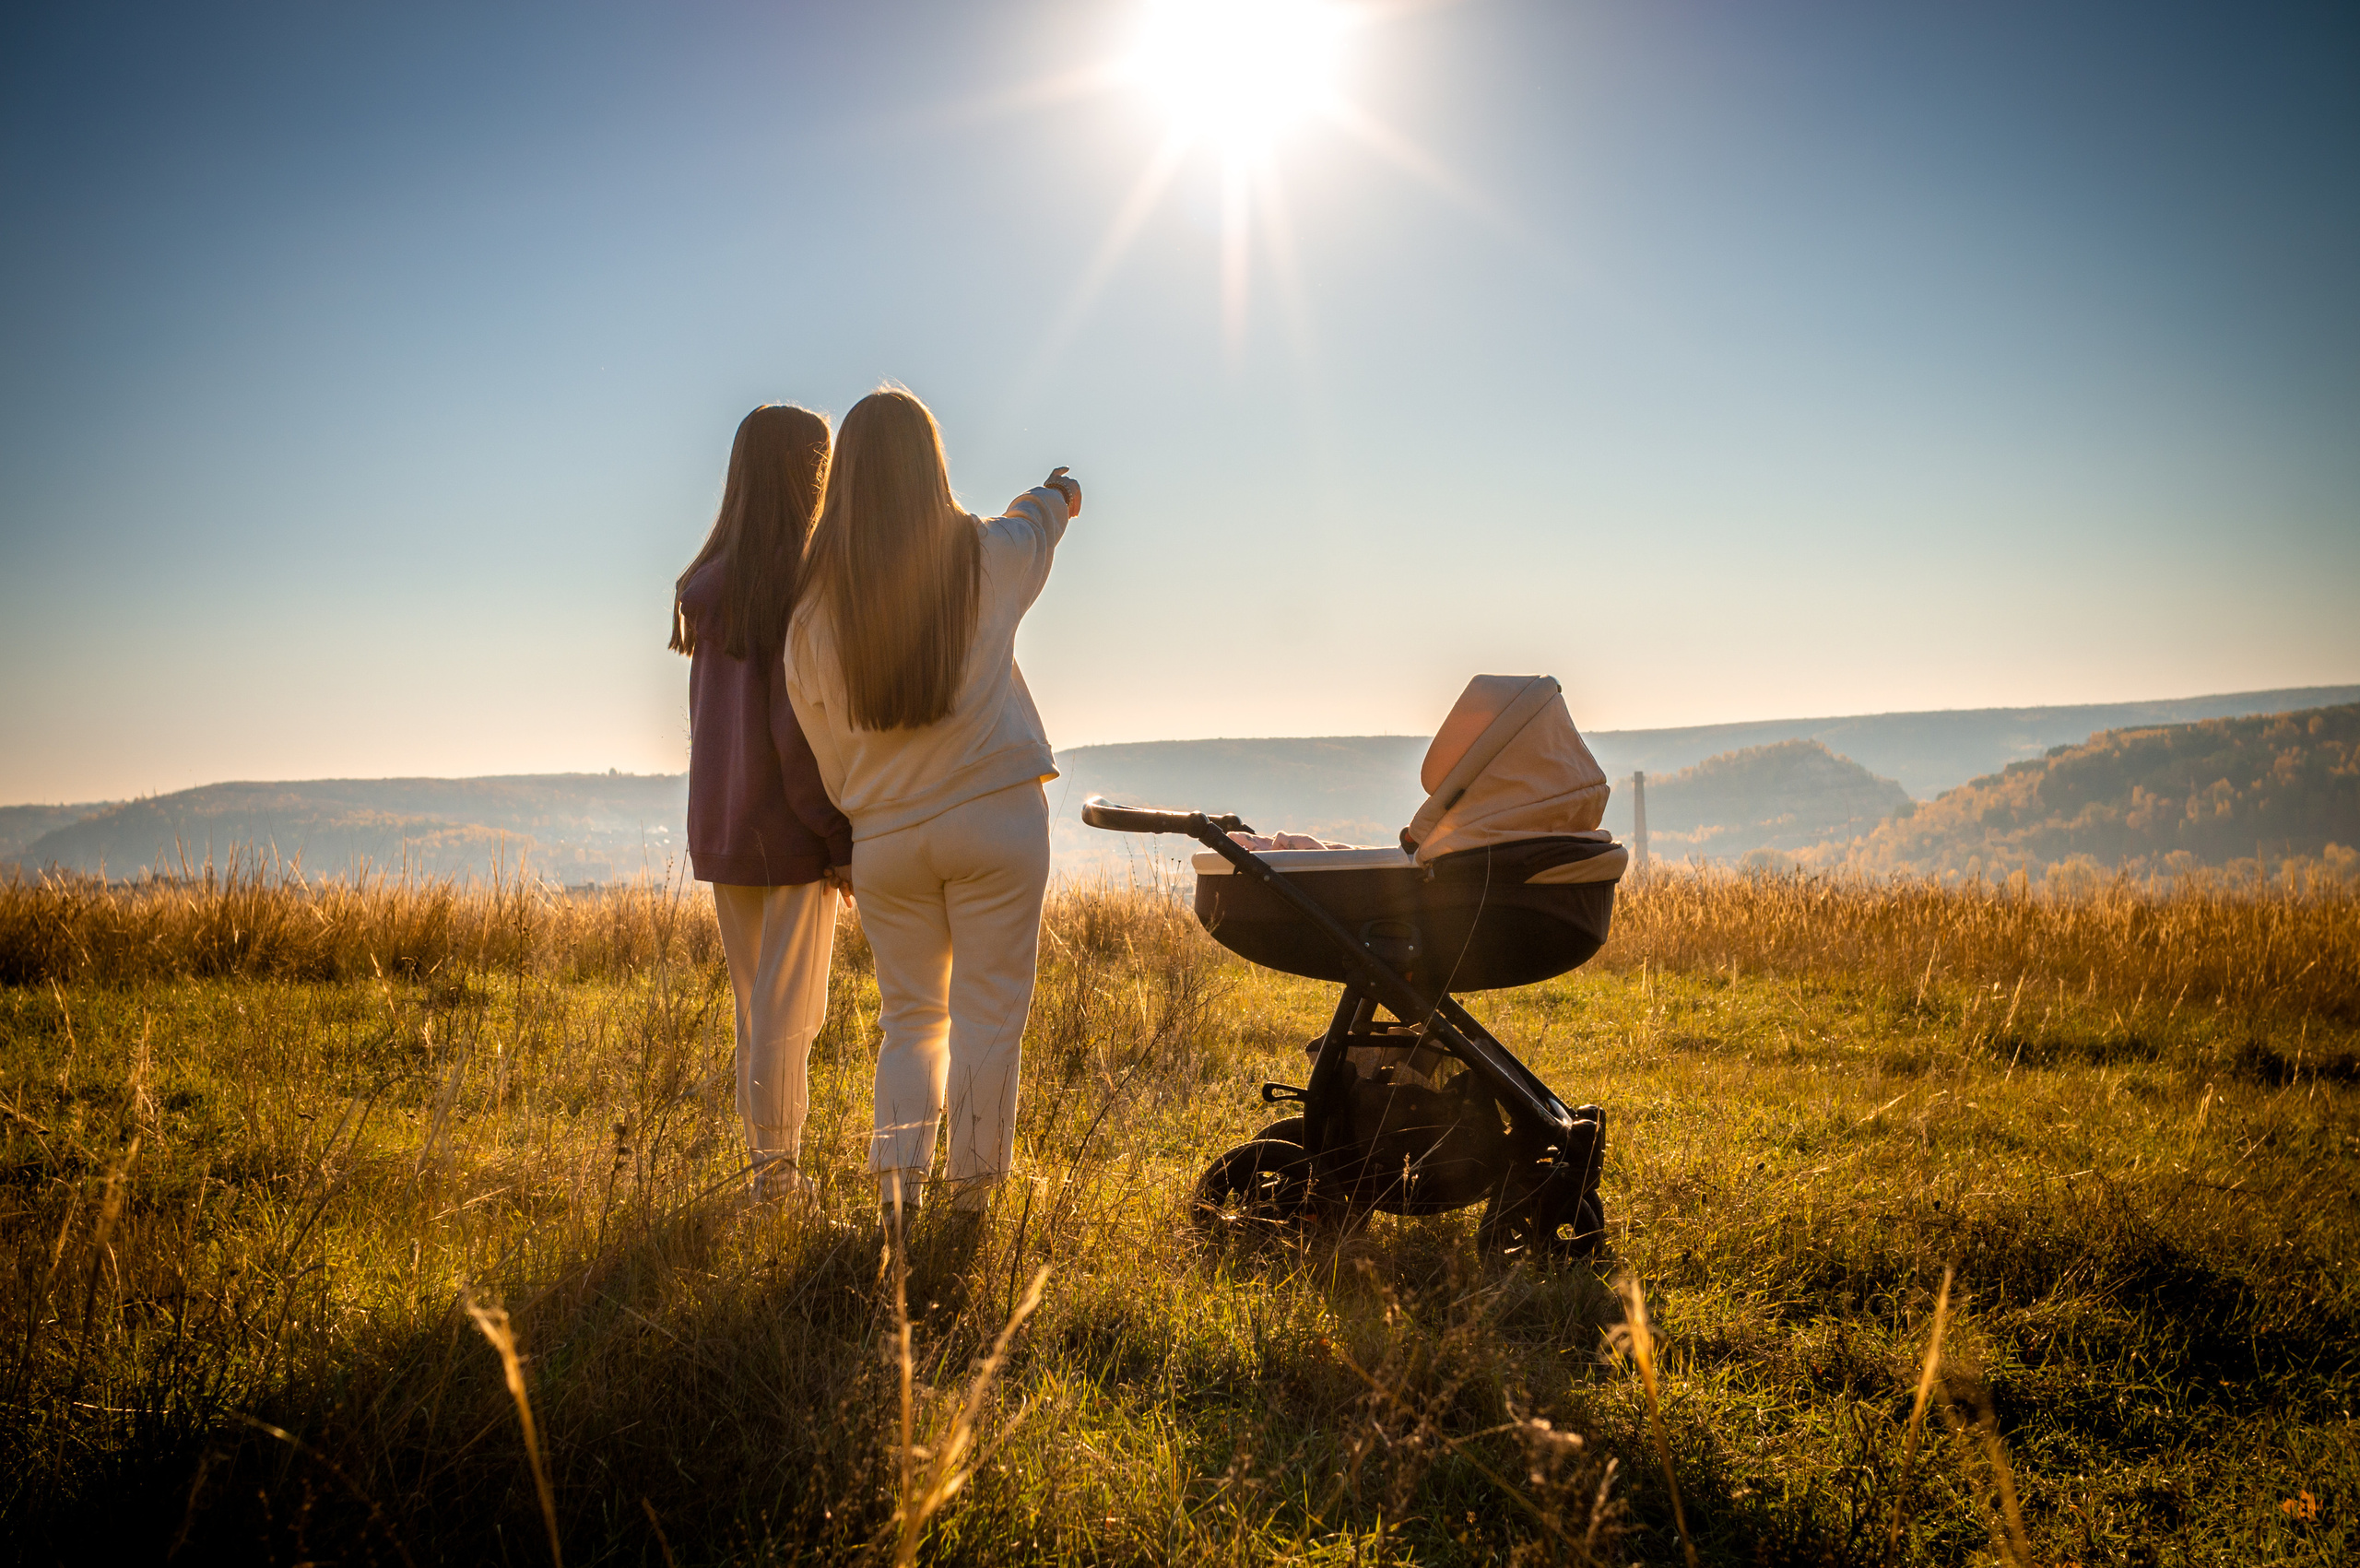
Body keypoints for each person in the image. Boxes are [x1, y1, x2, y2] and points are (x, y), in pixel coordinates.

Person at [785, 387, 1080, 1224]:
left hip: (887, 837)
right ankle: (973, 1204)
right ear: (932, 466)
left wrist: (871, 808)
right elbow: (1037, 526)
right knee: (991, 1018)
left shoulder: (811, 615)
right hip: (997, 817)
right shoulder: (985, 557)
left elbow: (825, 751)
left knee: (910, 1020)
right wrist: (1058, 492)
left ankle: (897, 1196)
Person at [671, 404, 852, 1202]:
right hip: (789, 831)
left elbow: (708, 725)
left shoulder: (709, 589)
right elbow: (796, 732)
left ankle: (765, 1167)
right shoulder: (799, 586)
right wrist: (837, 835)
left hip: (724, 828)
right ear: (809, 476)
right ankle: (777, 1181)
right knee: (791, 1013)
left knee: (757, 1008)